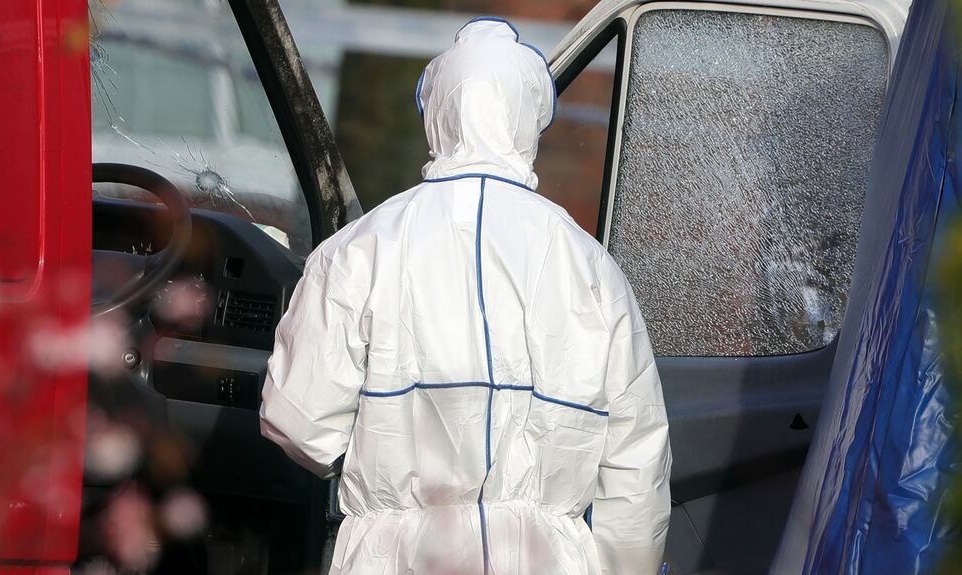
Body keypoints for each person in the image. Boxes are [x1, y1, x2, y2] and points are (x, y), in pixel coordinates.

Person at [260, 17, 671, 575]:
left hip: (394, 558)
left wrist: (372, 472)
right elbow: (636, 468)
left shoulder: (358, 250)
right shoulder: (593, 269)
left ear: (436, 115)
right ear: (529, 119)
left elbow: (299, 422)